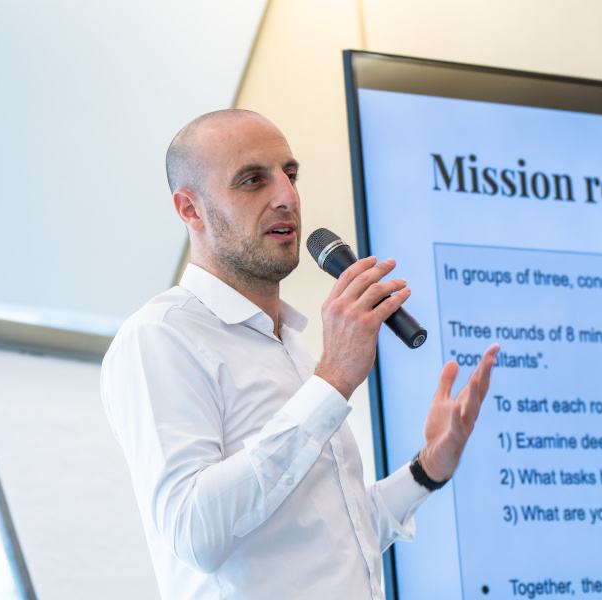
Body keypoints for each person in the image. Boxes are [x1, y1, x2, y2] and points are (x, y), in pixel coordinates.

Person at [100, 109, 498, 599]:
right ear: (190, 209)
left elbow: (338, 543)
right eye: (252, 180)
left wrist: (428, 468)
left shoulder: (286, 343)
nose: (286, 197)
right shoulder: (161, 337)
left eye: (290, 174)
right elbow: (195, 533)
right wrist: (331, 381)